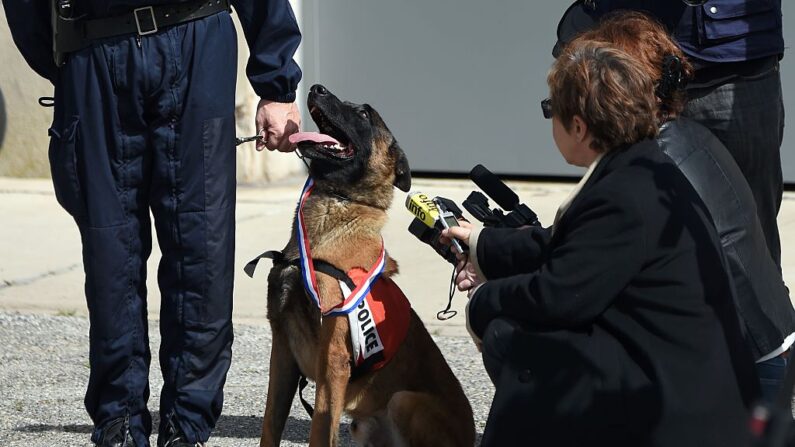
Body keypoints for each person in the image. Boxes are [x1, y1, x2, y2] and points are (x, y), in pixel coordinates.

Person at [3, 1, 302, 446]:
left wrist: (277, 82)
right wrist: (68, 62)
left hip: (195, 35)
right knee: (110, 258)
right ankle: (118, 425)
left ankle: (187, 425)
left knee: (202, 250)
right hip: (94, 49)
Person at [443, 41, 759, 446]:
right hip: (681, 378)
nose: (548, 120)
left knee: (513, 339)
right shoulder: (642, 165)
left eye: (549, 110)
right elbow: (566, 245)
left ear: (579, 126)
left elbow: (558, 296)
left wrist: (484, 302)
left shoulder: (621, 196)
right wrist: (480, 243)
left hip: (675, 410)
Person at [570, 10, 795, 405]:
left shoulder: (638, 170)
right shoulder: (686, 143)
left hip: (751, 370)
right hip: (770, 353)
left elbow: (576, 282)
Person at [554, 0, 786, 268]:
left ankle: (760, 311)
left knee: (751, 239)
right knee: (628, 216)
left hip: (735, 57)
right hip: (630, 51)